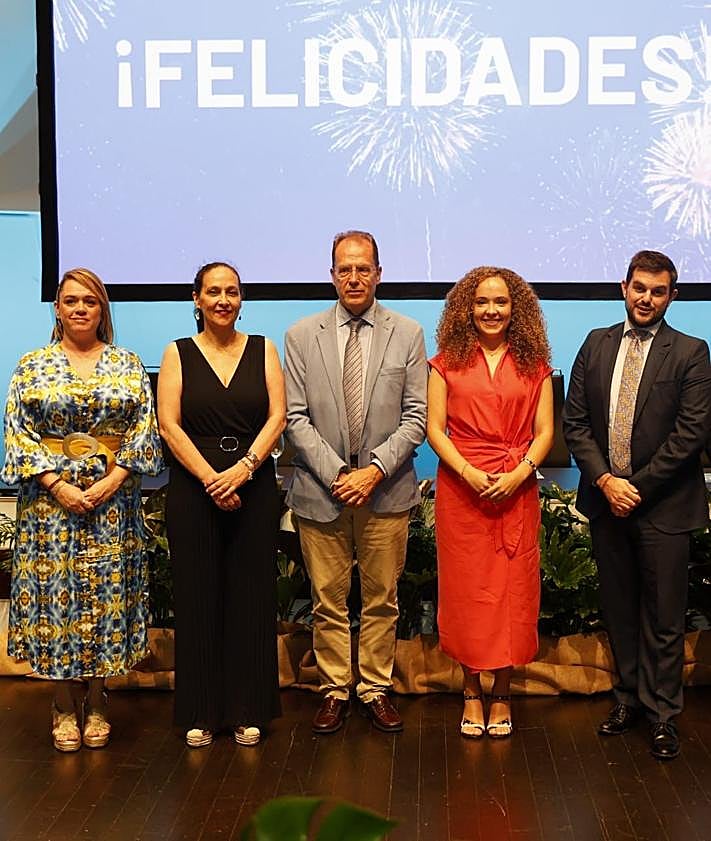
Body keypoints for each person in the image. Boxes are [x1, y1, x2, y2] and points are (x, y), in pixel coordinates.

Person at [1, 267, 162, 752]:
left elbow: (143, 431)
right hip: (51, 509)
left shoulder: (128, 364)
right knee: (57, 600)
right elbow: (17, 433)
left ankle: (97, 699)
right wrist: (56, 484)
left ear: (102, 309)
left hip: (112, 504)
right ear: (57, 308)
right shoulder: (31, 365)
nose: (80, 308)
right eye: (71, 300)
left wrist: (114, 480)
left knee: (106, 599)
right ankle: (62, 704)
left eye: (90, 301)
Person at [563, 250, 711, 760]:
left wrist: (636, 486)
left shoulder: (692, 352)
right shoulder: (595, 344)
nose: (646, 298)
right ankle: (626, 700)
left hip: (664, 507)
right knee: (621, 612)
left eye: (658, 290)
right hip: (608, 504)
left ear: (673, 295)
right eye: (639, 288)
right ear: (622, 287)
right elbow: (575, 423)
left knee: (665, 617)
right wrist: (606, 481)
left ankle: (663, 714)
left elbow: (691, 434)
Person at [284, 230, 427, 734]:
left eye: (363, 268)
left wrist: (372, 471)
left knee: (381, 598)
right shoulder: (301, 335)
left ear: (379, 274)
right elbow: (295, 419)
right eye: (344, 269)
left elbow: (417, 417)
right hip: (321, 492)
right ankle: (334, 688)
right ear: (331, 276)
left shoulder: (407, 333)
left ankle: (374, 687)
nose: (354, 277)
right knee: (326, 599)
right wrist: (339, 474)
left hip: (385, 489)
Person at [158, 261, 285, 748]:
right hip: (195, 488)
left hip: (253, 484)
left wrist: (245, 468)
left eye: (232, 292)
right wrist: (212, 478)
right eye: (213, 292)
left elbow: (277, 417)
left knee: (251, 598)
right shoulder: (177, 353)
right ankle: (200, 712)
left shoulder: (263, 349)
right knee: (198, 598)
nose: (223, 300)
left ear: (241, 299)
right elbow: (170, 425)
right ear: (196, 298)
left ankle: (248, 711)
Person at [427, 266, 553, 739]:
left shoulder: (535, 365)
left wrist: (519, 474)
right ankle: (470, 691)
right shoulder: (444, 363)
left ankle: (501, 691)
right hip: (463, 493)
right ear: (467, 308)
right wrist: (471, 474)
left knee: (512, 596)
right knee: (466, 596)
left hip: (517, 490)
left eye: (501, 302)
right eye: (482, 302)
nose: (491, 310)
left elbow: (545, 433)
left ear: (515, 308)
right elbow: (435, 430)